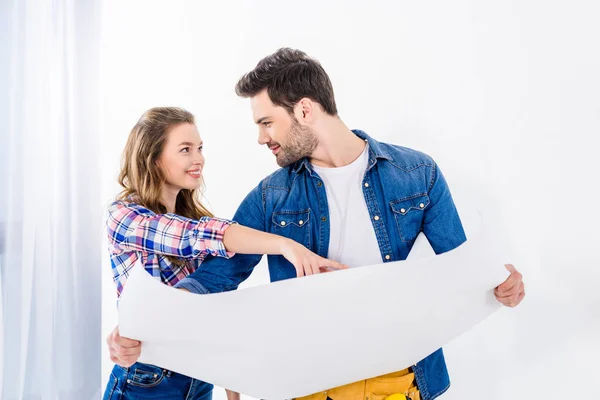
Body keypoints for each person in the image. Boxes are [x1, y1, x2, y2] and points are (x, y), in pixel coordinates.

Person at [109, 49, 526, 400]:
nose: (260, 138)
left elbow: (461, 265)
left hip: (400, 382)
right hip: (310, 383)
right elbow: (214, 280)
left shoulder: (417, 174)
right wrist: (152, 323)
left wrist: (501, 284)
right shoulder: (271, 196)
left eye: (266, 122)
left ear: (304, 109)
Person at [102, 106, 345, 400]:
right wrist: (285, 245)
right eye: (185, 150)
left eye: (200, 148)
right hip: (147, 380)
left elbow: (214, 305)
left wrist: (232, 387)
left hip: (198, 379)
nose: (199, 159)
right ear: (153, 160)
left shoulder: (192, 216)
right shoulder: (124, 216)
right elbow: (193, 237)